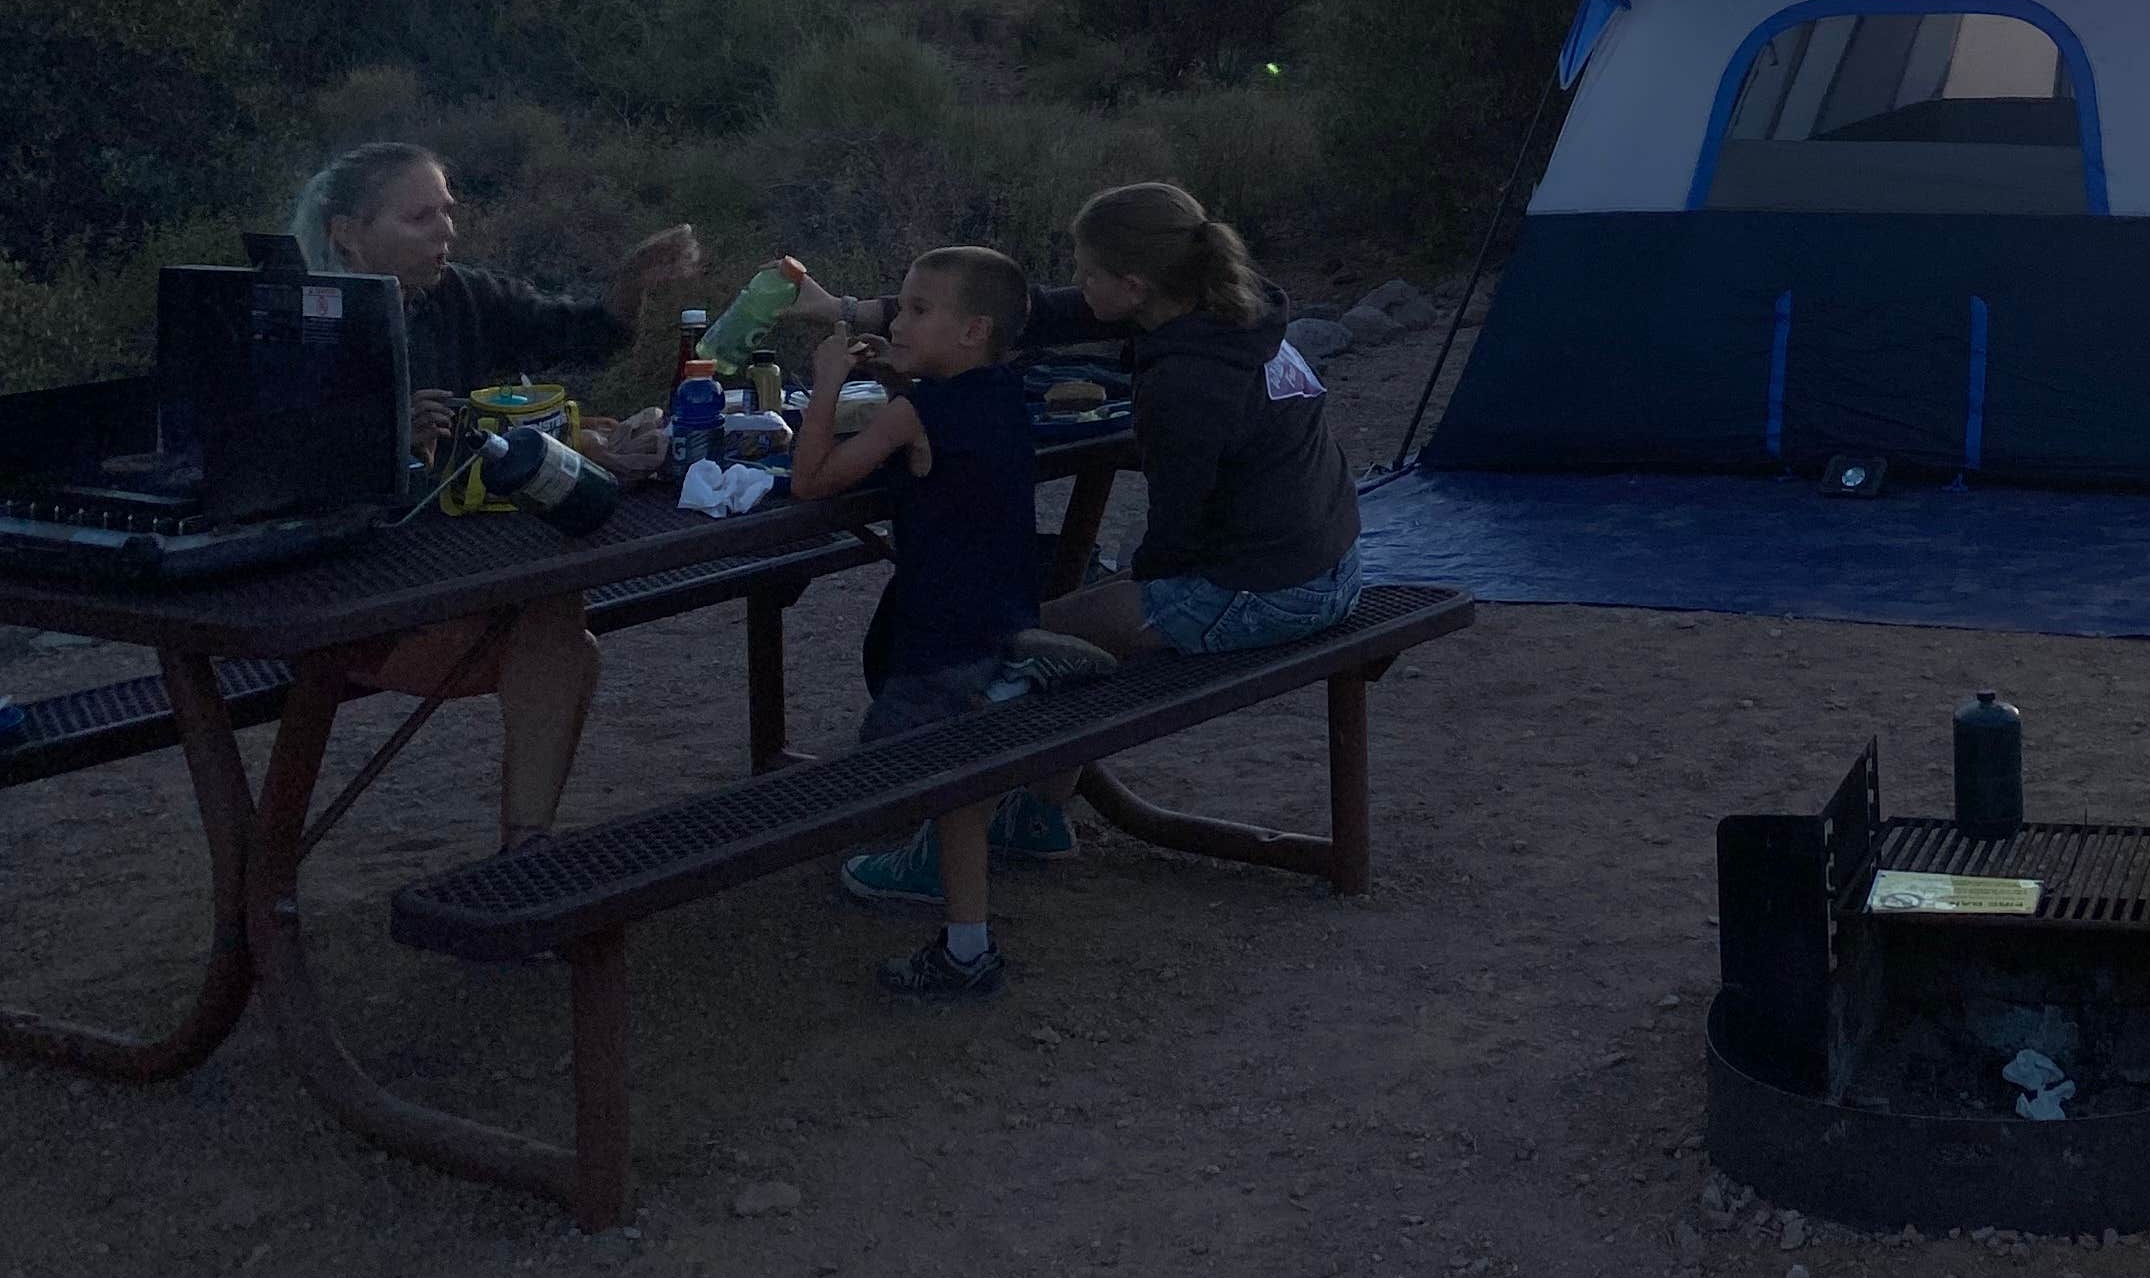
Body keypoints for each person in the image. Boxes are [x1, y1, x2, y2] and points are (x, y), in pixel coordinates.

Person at [800, 180, 1356, 888]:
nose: (1075, 284)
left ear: (1131, 285)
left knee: (1021, 647)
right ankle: (1036, 814)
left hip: (1272, 590)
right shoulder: (1223, 311)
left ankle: (943, 856)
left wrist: (1123, 593)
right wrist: (849, 310)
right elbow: (1040, 313)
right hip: (1325, 562)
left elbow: (1176, 539)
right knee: (1072, 619)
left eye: (1087, 272)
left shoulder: (1186, 381)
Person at [291, 142, 703, 845]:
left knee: (559, 608)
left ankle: (524, 852)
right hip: (352, 605)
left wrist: (633, 284)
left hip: (467, 575)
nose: (446, 232)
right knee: (562, 631)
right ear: (346, 233)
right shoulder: (300, 322)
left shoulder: (463, 297)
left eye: (446, 213)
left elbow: (581, 332)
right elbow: (265, 467)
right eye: (420, 217)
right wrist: (379, 441)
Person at [784, 245, 1065, 1005]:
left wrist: (827, 386)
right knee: (956, 767)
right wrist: (898, 372)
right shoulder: (1005, 391)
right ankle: (1011, 697)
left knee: (895, 778)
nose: (897, 320)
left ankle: (967, 947)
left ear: (972, 331)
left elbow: (811, 482)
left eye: (917, 310)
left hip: (937, 636)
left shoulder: (918, 412)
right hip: (999, 613)